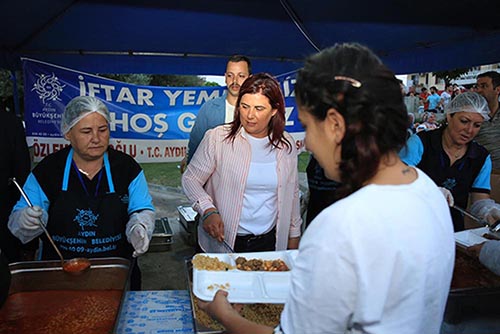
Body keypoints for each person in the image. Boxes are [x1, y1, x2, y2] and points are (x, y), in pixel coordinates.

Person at [199, 43, 455, 333]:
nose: (308, 143)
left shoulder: (340, 228)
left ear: (334, 124)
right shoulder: (428, 191)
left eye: (308, 126)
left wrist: (225, 315)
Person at [8, 96, 155, 290]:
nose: (96, 138)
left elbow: (142, 208)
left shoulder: (127, 168)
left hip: (117, 275)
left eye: (102, 130)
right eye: (86, 131)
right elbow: (18, 223)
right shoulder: (48, 170)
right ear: (68, 133)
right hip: (59, 276)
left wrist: (140, 226)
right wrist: (25, 221)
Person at [182, 73, 302, 253]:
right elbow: (190, 179)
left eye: (259, 108)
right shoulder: (217, 138)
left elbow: (291, 193)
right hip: (224, 243)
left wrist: (294, 238)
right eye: (245, 107)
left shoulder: (287, 145)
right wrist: (208, 210)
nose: (250, 116)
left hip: (269, 243)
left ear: (274, 110)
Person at [400, 92, 500, 231]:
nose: (469, 130)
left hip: (451, 229)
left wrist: (488, 211)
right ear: (449, 115)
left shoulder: (480, 157)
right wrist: (427, 190)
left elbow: (479, 198)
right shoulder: (421, 143)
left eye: (477, 125)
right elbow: (395, 179)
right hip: (411, 223)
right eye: (464, 121)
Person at [182, 55, 252, 170]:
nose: (235, 81)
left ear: (250, 78)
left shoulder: (257, 111)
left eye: (241, 76)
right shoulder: (209, 109)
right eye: (230, 75)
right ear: (225, 77)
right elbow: (196, 144)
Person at [0, 111, 38, 263]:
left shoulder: (9, 123)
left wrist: (28, 243)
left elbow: (21, 181)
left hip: (5, 227)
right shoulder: (9, 122)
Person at [475, 71, 500, 169]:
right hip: (479, 171)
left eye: (484, 86)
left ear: (497, 90)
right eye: (477, 87)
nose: (479, 90)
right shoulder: (472, 115)